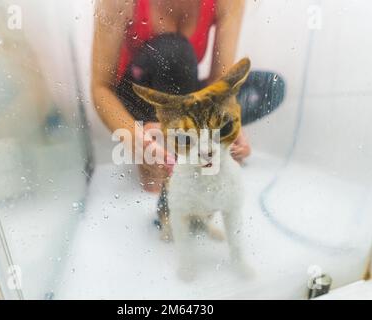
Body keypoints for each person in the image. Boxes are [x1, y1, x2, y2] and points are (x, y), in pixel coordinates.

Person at [92, 0, 285, 193]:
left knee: (269, 87)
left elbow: (219, 82)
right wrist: (135, 138)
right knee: (175, 51)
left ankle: (189, 140)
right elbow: (100, 88)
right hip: (137, 100)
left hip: (183, 89)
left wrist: (228, 123)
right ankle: (167, 144)